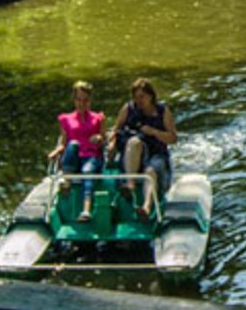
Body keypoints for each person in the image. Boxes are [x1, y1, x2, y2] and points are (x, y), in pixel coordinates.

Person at [111, 77, 177, 219]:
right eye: (136, 97)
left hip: (156, 154)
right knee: (134, 142)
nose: (139, 100)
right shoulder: (128, 109)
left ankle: (146, 208)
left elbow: (173, 138)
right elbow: (115, 130)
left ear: (151, 96)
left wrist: (154, 132)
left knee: (150, 171)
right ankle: (130, 184)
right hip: (134, 154)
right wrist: (111, 145)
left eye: (142, 97)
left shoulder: (162, 111)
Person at [48, 80, 106, 221]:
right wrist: (55, 152)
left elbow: (104, 141)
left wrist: (98, 138)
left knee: (88, 171)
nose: (82, 104)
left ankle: (86, 210)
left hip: (91, 157)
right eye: (79, 100)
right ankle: (67, 180)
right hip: (73, 158)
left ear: (90, 101)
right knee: (73, 144)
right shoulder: (66, 119)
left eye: (85, 100)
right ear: (74, 100)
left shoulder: (98, 118)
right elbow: (63, 143)